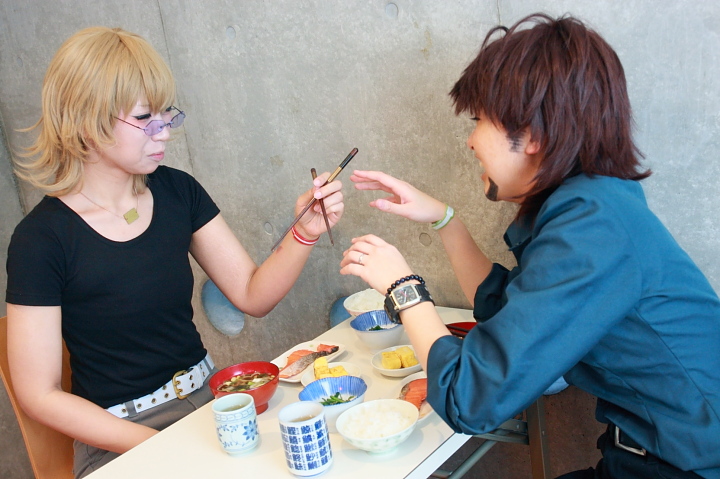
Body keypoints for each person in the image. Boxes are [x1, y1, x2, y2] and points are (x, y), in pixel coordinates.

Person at [340, 13, 720, 479]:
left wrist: (403, 289)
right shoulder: (594, 204)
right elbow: (504, 313)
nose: (471, 141)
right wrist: (444, 219)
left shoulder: (593, 228)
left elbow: (470, 398)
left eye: (479, 120)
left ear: (535, 135)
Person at [5, 27, 344, 478]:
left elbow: (252, 294)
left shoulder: (176, 191)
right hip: (120, 437)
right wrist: (166, 448)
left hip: (210, 403)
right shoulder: (41, 239)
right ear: (86, 121)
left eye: (166, 113)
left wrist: (306, 231)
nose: (164, 131)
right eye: (145, 117)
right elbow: (39, 394)